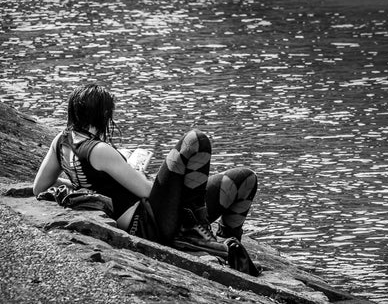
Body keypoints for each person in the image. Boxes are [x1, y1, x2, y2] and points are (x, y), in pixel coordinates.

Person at [33, 83, 258, 255]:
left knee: (243, 179)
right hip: (149, 223)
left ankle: (227, 241)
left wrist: (77, 185)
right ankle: (194, 231)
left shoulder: (60, 141)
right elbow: (147, 192)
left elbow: (39, 186)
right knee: (195, 140)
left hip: (156, 215)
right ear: (103, 115)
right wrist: (137, 171)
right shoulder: (99, 150)